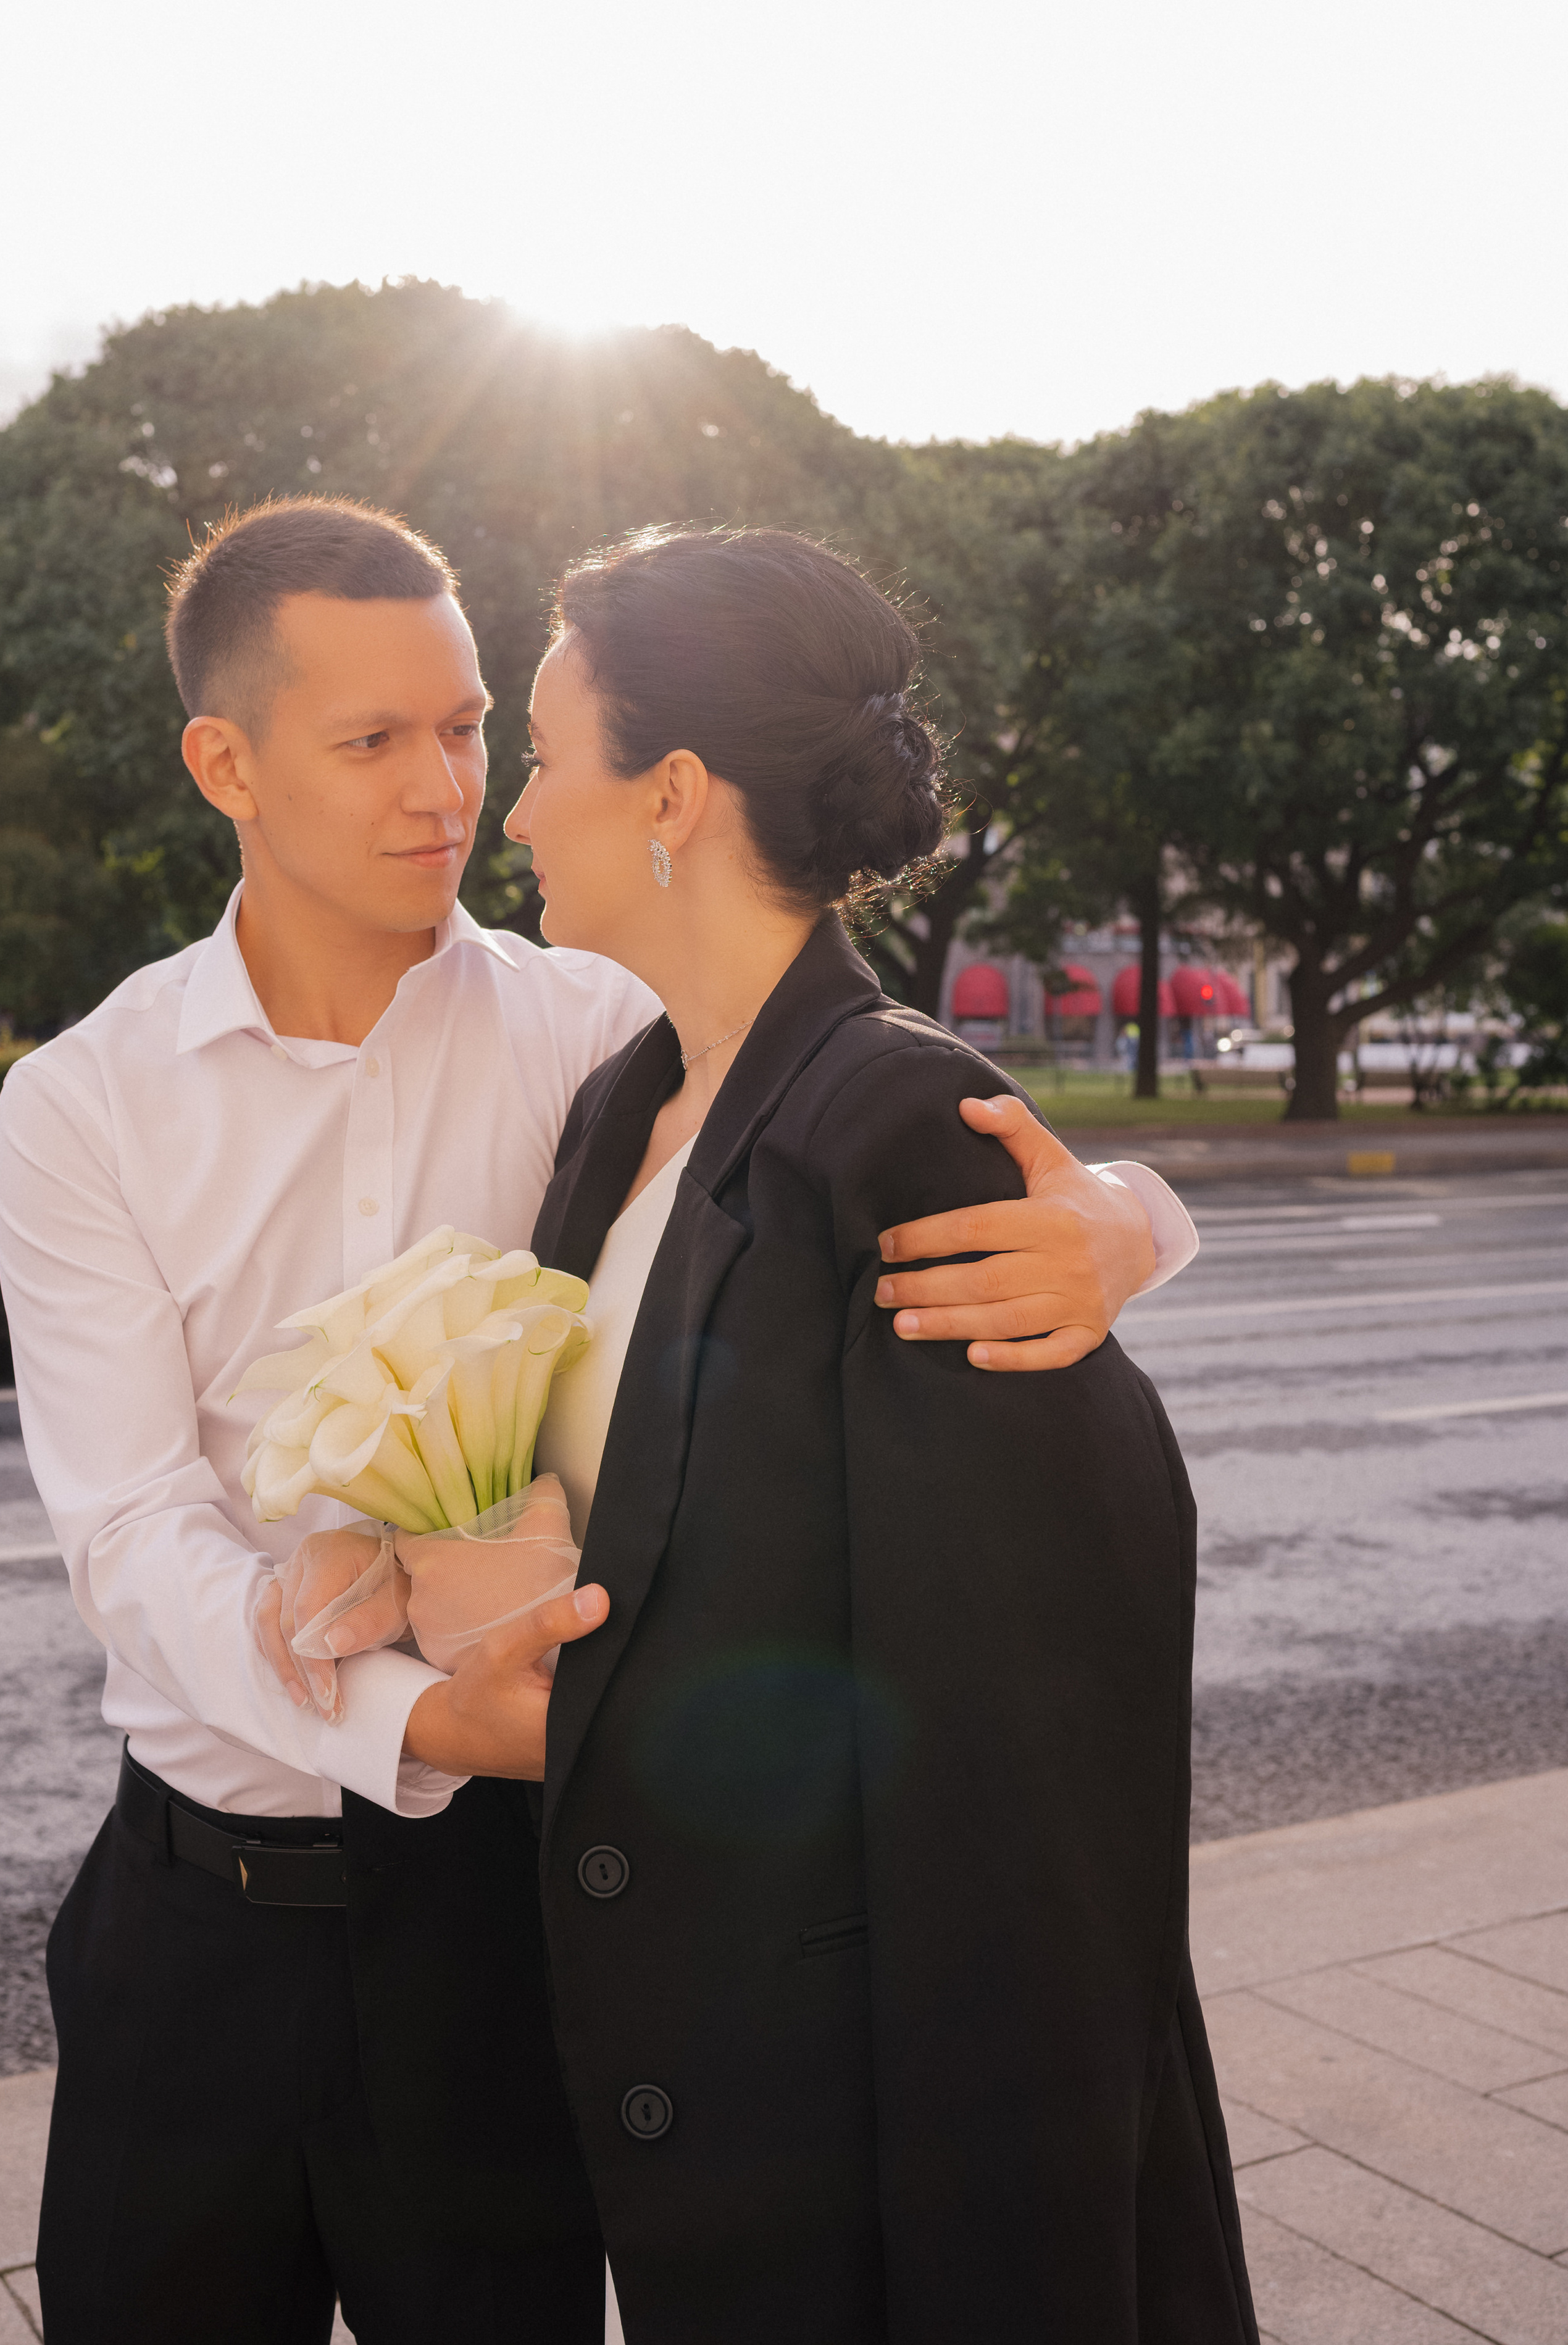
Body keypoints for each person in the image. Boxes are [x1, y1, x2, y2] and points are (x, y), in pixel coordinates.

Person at [0, 497, 1199, 2343]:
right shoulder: (86, 1103)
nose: (450, 790)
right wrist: (411, 1715)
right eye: (373, 740)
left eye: (477, 727)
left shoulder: (599, 1022)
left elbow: (852, 1097)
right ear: (224, 765)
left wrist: (1123, 1222)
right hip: (199, 1911)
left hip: (506, 1906)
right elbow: (133, 1529)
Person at [507, 527, 1256, 2342]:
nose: (511, 812)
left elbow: (1029, 1770)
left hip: (865, 2139)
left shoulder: (897, 1126)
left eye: (538, 756)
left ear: (671, 794)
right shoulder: (625, 1105)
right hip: (699, 2081)